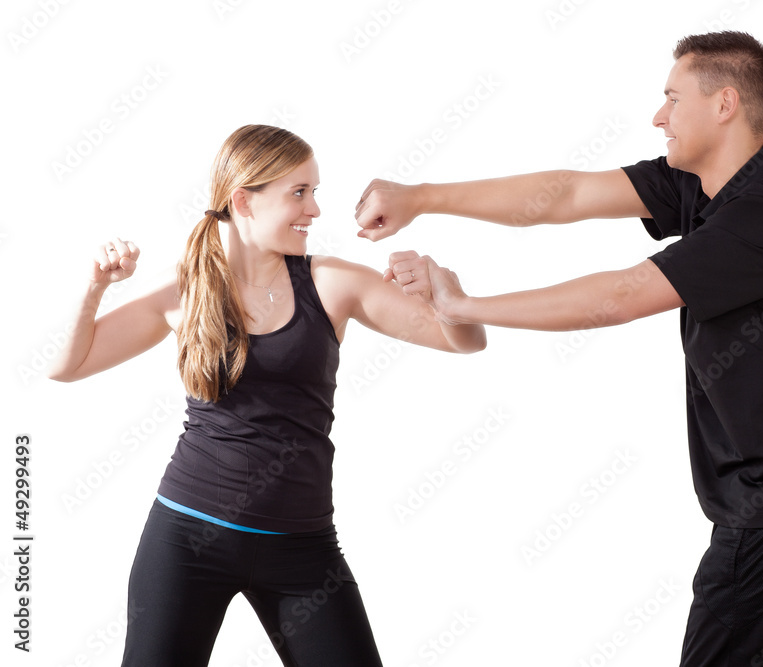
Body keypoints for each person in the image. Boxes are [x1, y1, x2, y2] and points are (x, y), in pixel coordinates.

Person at [357, 31, 763, 666]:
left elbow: (621, 295)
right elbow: (568, 194)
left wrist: (463, 307)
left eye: (671, 97)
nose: (658, 115)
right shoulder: (703, 184)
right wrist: (422, 198)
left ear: (724, 104)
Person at [47, 124, 486, 666]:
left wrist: (449, 296)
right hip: (186, 538)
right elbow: (66, 367)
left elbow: (464, 341)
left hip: (302, 549)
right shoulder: (184, 288)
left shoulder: (331, 282)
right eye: (299, 193)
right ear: (243, 201)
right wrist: (94, 287)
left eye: (315, 192)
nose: (315, 211)